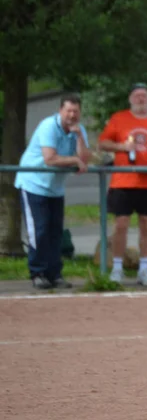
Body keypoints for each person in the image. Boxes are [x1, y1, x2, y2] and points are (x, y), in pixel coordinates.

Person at [98, 83, 147, 286]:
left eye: (144, 96)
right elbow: (103, 143)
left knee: (146, 225)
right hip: (123, 181)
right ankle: (117, 268)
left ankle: (144, 269)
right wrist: (122, 147)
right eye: (137, 96)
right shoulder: (119, 118)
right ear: (130, 99)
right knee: (121, 224)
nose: (141, 99)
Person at [14, 93, 91, 289]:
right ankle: (37, 272)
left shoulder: (78, 130)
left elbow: (85, 159)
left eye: (76, 111)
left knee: (55, 232)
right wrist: (74, 160)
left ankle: (54, 274)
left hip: (55, 189)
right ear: (60, 111)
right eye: (68, 111)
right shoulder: (48, 126)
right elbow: (50, 159)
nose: (72, 115)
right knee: (39, 231)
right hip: (33, 184)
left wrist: (79, 137)